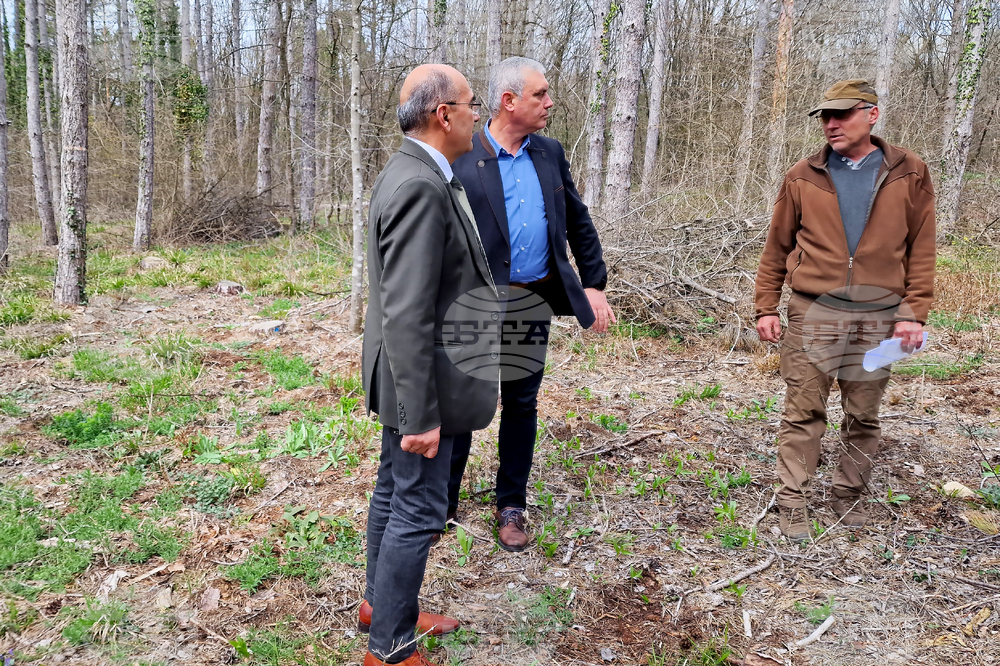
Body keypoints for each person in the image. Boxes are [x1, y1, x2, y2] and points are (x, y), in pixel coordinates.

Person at [754, 79, 935, 542]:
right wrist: (766, 306)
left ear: (871, 114)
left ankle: (848, 495)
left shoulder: (909, 171)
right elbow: (776, 247)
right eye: (824, 117)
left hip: (879, 316)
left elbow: (922, 249)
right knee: (803, 411)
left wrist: (913, 312)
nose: (830, 124)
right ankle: (793, 500)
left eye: (841, 115)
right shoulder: (802, 175)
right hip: (814, 312)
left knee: (864, 413)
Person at [360, 64, 499, 666]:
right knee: (416, 507)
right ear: (445, 114)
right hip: (423, 386)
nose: (478, 115)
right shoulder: (420, 184)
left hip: (412, 379)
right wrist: (420, 414)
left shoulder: (416, 171)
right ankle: (388, 647)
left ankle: (381, 607)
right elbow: (408, 311)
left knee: (394, 493)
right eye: (471, 104)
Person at [448, 57, 615, 552]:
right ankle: (443, 503)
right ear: (509, 101)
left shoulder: (548, 152)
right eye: (540, 94)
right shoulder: (462, 156)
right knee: (463, 405)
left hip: (529, 303)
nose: (548, 102)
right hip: (474, 305)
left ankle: (511, 503)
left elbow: (578, 222)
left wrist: (594, 283)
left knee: (521, 404)